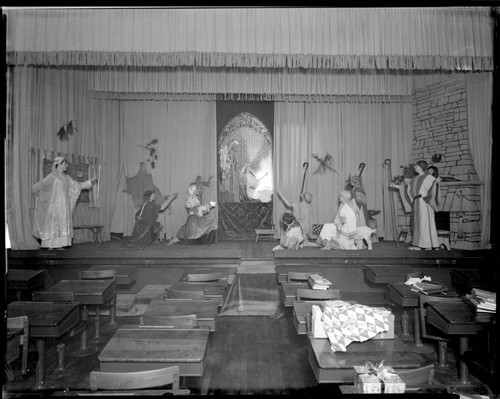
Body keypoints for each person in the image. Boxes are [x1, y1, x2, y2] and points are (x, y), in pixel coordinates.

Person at [32, 156, 97, 250]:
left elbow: (77, 186)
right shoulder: (52, 176)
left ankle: (59, 245)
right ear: (59, 164)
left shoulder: (66, 177)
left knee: (62, 224)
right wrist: (37, 191)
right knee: (53, 224)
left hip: (64, 206)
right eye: (65, 163)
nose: (67, 165)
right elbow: (41, 185)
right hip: (54, 206)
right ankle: (51, 245)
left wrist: (89, 182)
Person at [390, 160, 440, 250]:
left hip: (424, 202)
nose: (415, 167)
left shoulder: (428, 177)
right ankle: (419, 244)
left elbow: (433, 184)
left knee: (424, 223)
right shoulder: (416, 178)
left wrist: (436, 182)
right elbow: (407, 188)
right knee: (417, 223)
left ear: (421, 167)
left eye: (416, 166)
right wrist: (396, 186)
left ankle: (427, 245)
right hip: (417, 201)